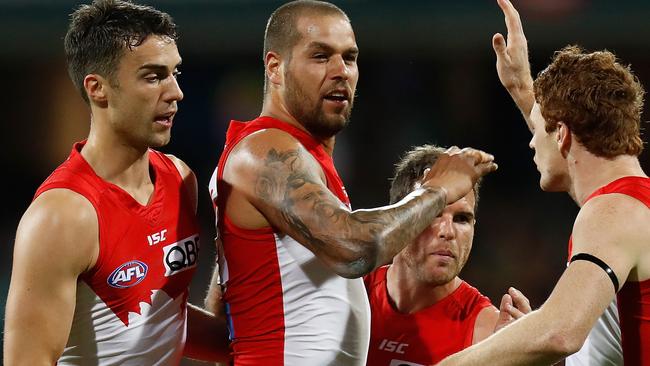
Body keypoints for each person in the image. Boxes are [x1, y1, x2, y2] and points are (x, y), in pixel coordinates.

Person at [204, 1, 498, 364]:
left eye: (350, 58)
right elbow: (354, 249)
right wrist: (436, 191)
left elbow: (227, 300)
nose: (340, 71)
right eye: (320, 56)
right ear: (275, 67)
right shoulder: (266, 150)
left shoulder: (305, 162)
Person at [3, 0, 228, 364]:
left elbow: (164, 321)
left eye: (175, 74)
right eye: (153, 76)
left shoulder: (180, 178)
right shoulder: (62, 217)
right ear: (98, 89)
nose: (175, 93)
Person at [438, 0, 650, 365]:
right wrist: (522, 88)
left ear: (563, 135)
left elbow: (559, 332)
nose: (533, 142)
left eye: (540, 129)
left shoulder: (613, 212)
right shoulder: (630, 207)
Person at [365, 145, 530, 366]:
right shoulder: (352, 296)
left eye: (462, 218)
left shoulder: (489, 332)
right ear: (398, 219)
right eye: (432, 213)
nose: (448, 232)